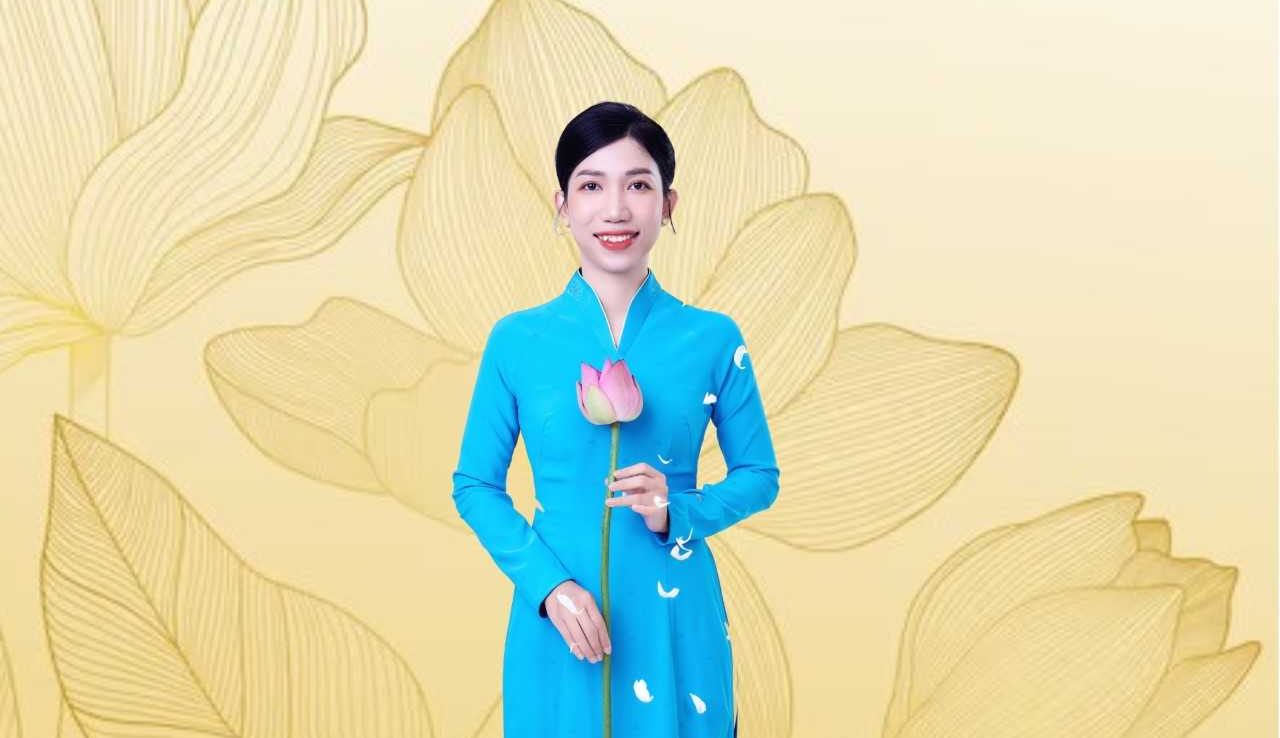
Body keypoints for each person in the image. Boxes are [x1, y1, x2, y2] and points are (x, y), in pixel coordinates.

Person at [451, 101, 779, 737]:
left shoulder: (713, 339)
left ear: (668, 204)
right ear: (562, 205)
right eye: (591, 186)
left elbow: (760, 476)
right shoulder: (517, 340)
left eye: (639, 185)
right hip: (561, 618)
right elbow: (475, 485)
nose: (616, 209)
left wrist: (677, 511)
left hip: (674, 612)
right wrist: (549, 586)